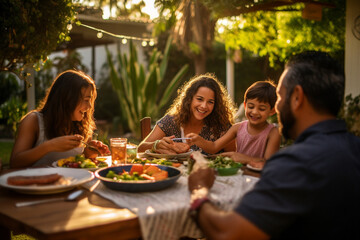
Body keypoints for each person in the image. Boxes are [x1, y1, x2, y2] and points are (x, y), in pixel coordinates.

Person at [188, 51, 360, 239]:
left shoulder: (296, 163)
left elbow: (227, 233)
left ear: (297, 97)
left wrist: (198, 190)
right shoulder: (354, 147)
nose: (276, 107)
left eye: (279, 96)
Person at [10, 70, 98, 168]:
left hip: (70, 182)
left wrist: (90, 153)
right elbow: (15, 163)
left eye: (90, 100)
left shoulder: (82, 125)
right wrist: (49, 146)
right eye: (86, 100)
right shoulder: (34, 121)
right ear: (67, 99)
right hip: (37, 182)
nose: (89, 106)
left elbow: (79, 163)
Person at [186, 80, 281, 168]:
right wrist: (199, 140)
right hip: (240, 174)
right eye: (251, 106)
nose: (255, 112)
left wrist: (243, 158)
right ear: (245, 105)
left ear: (272, 111)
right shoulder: (237, 128)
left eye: (262, 109)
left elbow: (269, 162)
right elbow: (214, 147)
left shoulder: (273, 133)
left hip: (261, 177)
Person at [137, 73, 237, 155]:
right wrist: (156, 145)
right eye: (199, 99)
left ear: (216, 105)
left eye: (210, 102)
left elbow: (233, 156)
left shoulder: (221, 126)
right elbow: (140, 148)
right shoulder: (171, 121)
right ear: (189, 99)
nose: (204, 106)